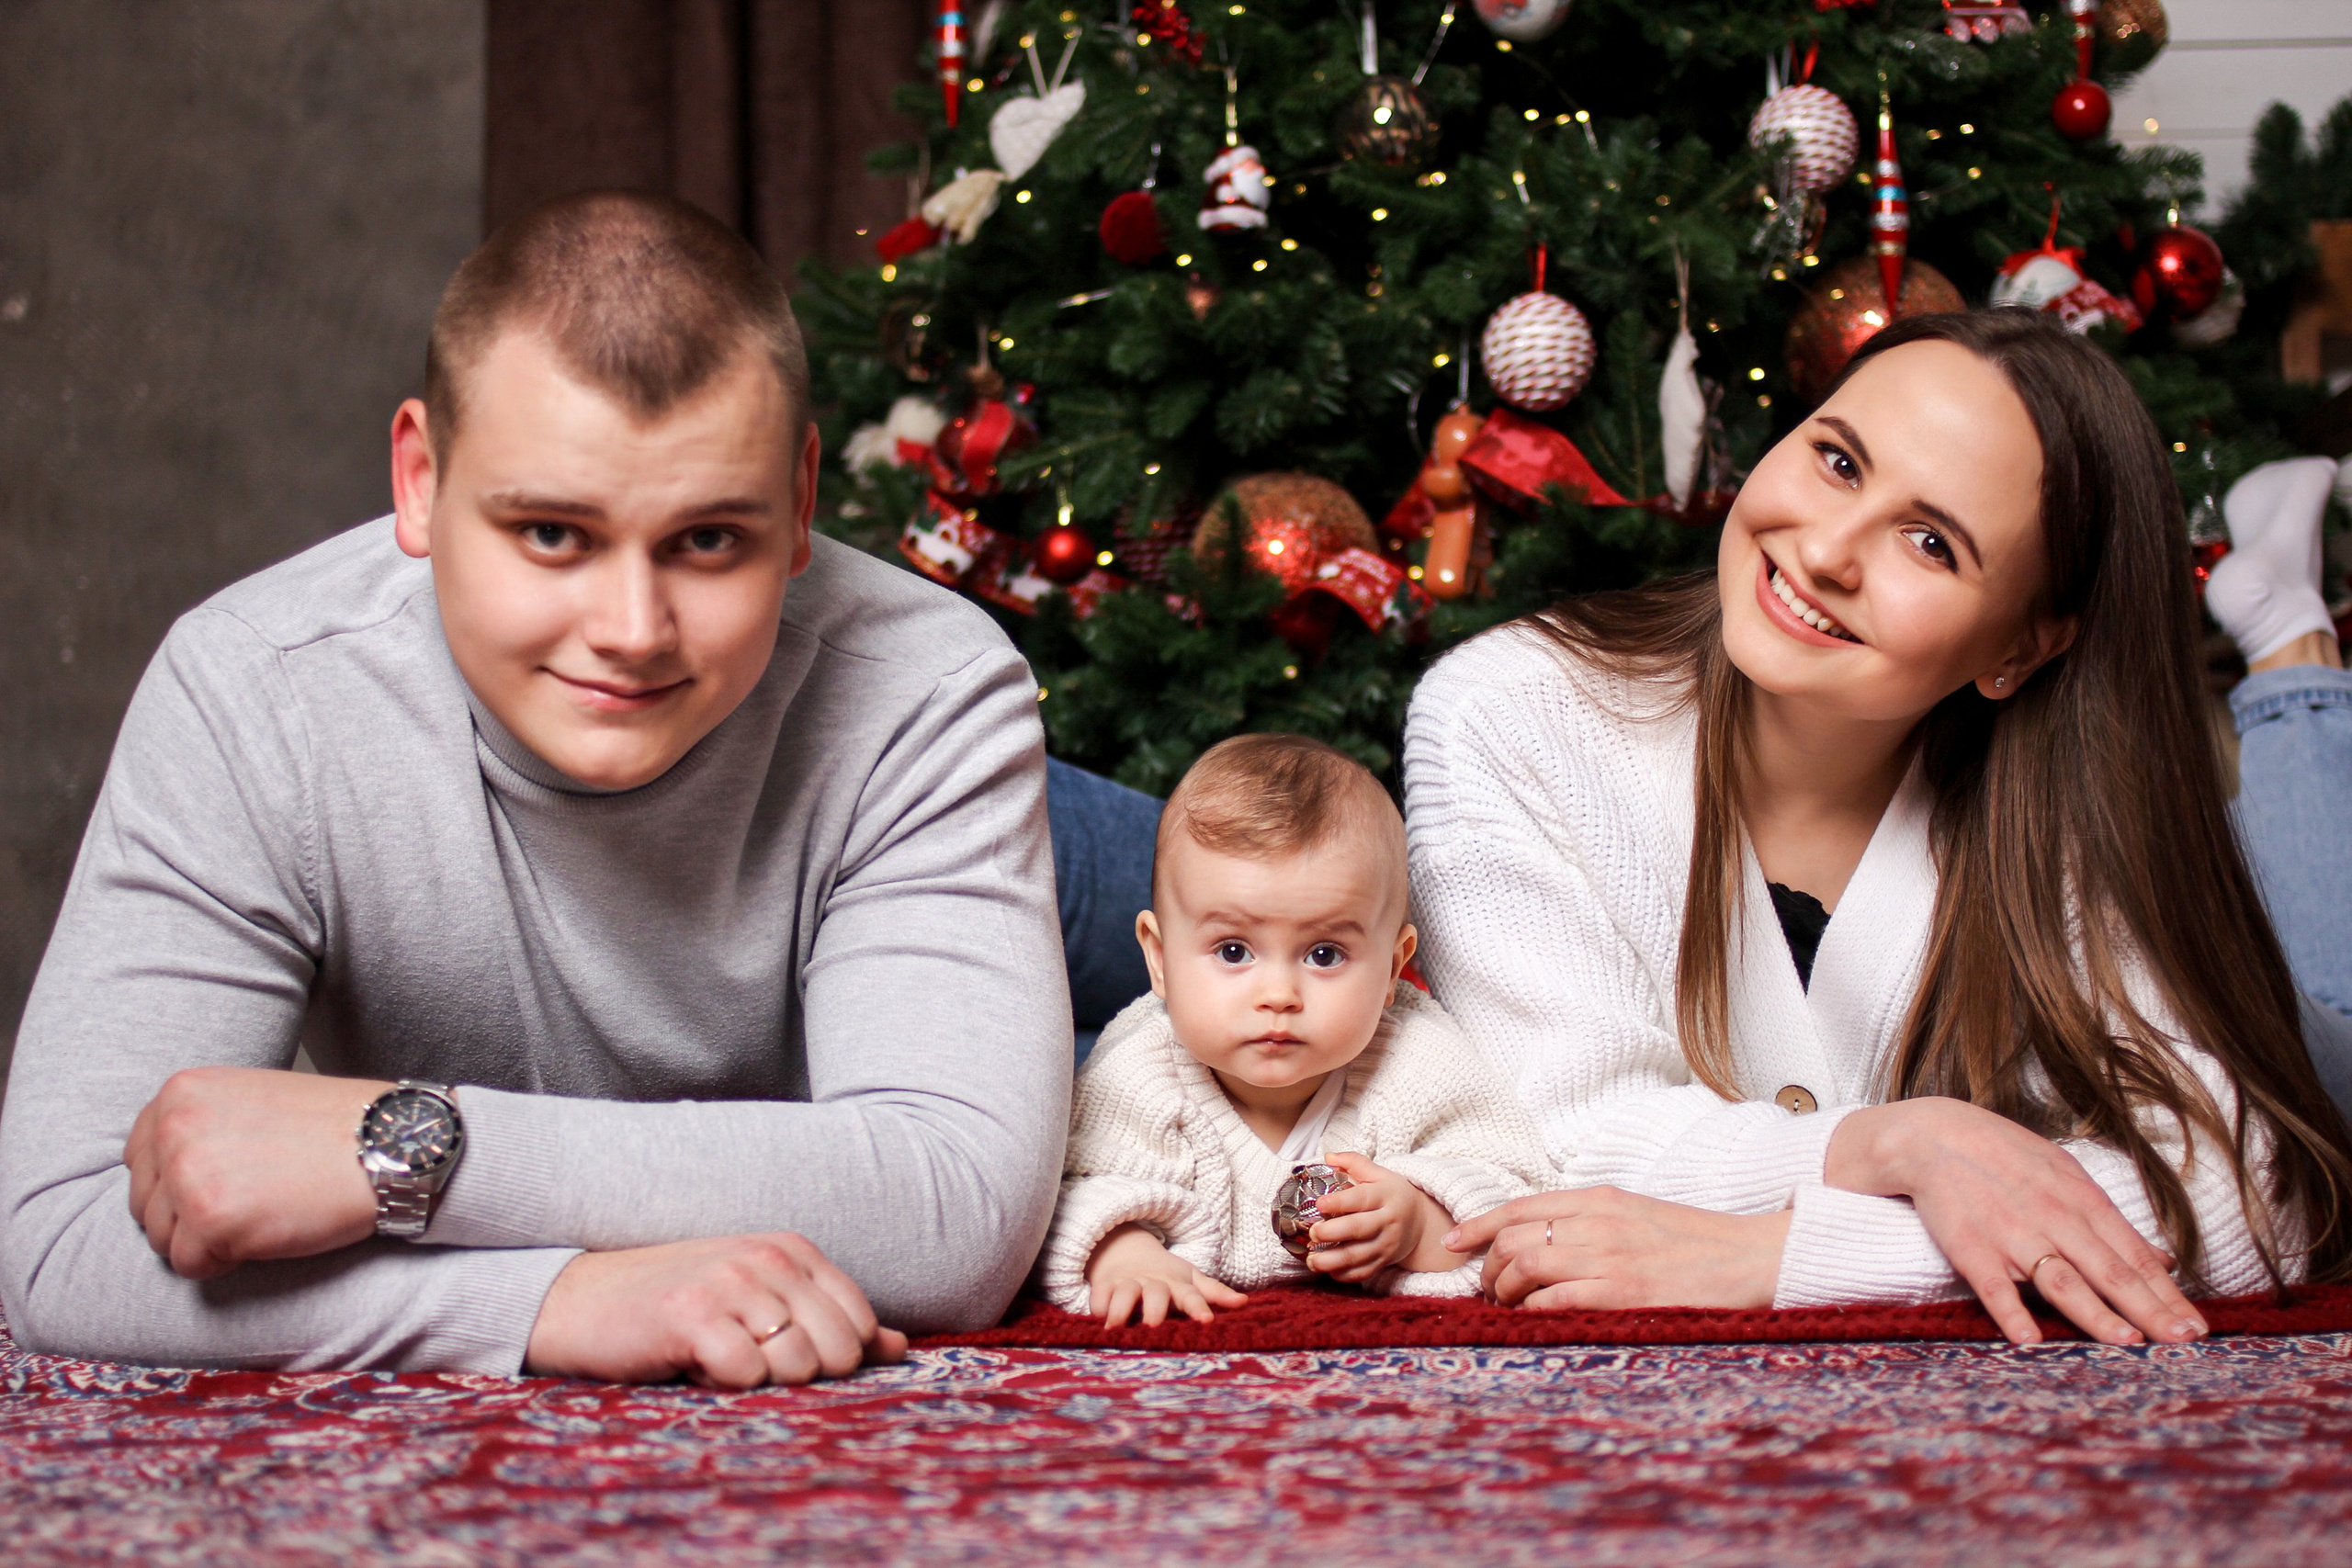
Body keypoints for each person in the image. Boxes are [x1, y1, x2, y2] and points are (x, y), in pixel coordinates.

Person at [0, 192, 1071, 1384]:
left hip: (1010, 858)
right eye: (554, 532)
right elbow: (57, 1244)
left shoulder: (928, 686)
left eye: (710, 538)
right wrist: (549, 1297)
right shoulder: (256, 687)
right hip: (857, 911)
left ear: (805, 498)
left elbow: (959, 1208)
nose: (632, 630)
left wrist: (406, 1144)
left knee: (1270, 953)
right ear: (419, 478)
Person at [1404, 309, 2352, 1348]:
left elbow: (2246, 1184)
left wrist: (1780, 1259)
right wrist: (1900, 1147)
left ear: (2021, 648)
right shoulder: (1506, 711)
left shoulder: (2069, 805)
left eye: (1931, 542)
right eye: (1838, 460)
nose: (1825, 552)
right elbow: (1557, 1142)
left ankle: (2289, 639)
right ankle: (2291, 634)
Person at [1038, 735, 1549, 1325]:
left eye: (1325, 955)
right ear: (1158, 958)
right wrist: (1122, 1253)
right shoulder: (1142, 1067)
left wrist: (1419, 1223)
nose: (1278, 995)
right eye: (1233, 951)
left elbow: (1512, 1199)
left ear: (1391, 967)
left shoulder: (1420, 1061)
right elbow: (1071, 1192)